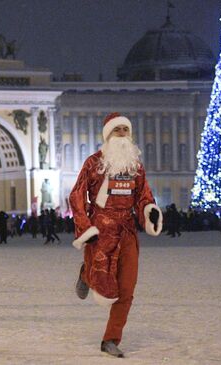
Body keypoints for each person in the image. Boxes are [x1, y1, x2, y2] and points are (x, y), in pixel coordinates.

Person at [69, 113, 162, 358]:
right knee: (101, 278)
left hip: (127, 231)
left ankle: (110, 338)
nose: (122, 133)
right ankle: (86, 273)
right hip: (100, 229)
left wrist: (149, 211)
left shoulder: (136, 167)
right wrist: (85, 227)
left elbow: (144, 197)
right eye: (117, 129)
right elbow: (77, 195)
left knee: (126, 288)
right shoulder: (93, 163)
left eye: (125, 129)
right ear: (107, 135)